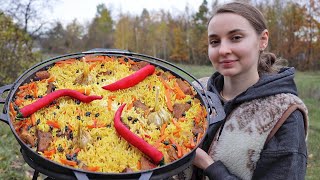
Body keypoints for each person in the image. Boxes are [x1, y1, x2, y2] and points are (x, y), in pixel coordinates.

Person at [191, 2, 309, 180]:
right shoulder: (195, 92)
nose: (223, 50)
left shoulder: (284, 113)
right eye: (214, 42)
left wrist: (210, 166)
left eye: (236, 37)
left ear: (263, 40)